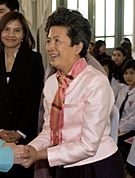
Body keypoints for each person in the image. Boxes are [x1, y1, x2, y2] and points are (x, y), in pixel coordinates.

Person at [20, 7, 124, 178]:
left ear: (77, 46)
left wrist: (39, 155)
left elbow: (89, 145)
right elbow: (50, 131)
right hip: (65, 164)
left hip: (98, 166)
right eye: (48, 41)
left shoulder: (95, 82)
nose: (50, 47)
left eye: (57, 41)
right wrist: (31, 148)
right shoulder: (52, 82)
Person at [0, 11, 44, 178]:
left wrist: (20, 132)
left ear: (24, 34)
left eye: (17, 30)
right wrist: (1, 130)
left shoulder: (34, 60)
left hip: (24, 137)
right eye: (6, 29)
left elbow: (35, 101)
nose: (11, 34)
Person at [115, 59, 135, 162]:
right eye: (126, 73)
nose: (128, 76)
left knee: (118, 145)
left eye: (132, 73)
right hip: (117, 127)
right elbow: (116, 110)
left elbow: (133, 119)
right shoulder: (123, 90)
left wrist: (120, 128)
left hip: (130, 129)